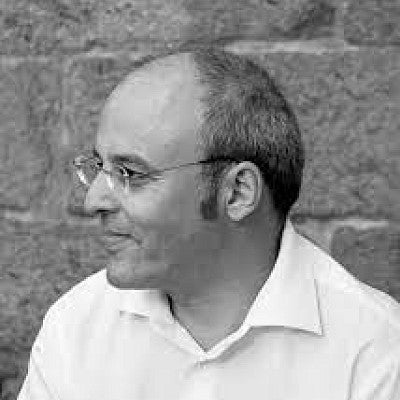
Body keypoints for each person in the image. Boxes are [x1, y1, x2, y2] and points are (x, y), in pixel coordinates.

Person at [18, 48, 400, 400]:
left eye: (130, 173)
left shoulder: (374, 352)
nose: (93, 201)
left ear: (236, 193)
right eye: (99, 167)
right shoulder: (75, 328)